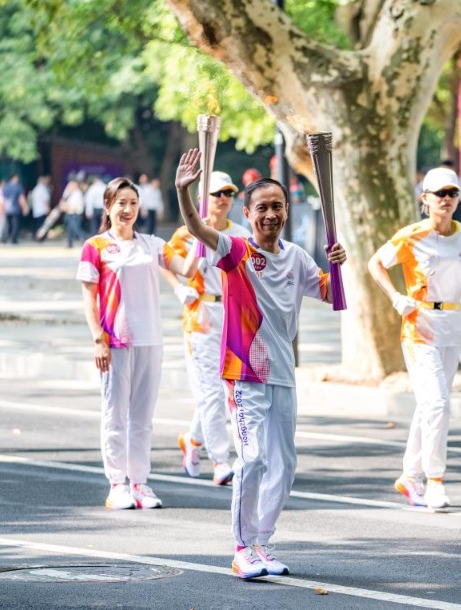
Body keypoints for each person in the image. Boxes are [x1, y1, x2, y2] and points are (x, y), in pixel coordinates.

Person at [174, 149, 346, 580]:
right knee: (250, 460)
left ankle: (262, 541)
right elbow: (196, 227)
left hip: (284, 372)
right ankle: (240, 548)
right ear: (248, 214)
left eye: (277, 207)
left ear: (286, 211)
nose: (270, 214)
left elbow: (332, 297)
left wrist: (342, 263)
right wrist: (184, 192)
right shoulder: (234, 251)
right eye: (262, 208)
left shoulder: (297, 258)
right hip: (245, 372)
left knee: (285, 464)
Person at [368, 167, 461, 511]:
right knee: (438, 404)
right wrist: (395, 296)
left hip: (451, 323)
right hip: (418, 324)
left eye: (452, 193)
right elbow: (376, 262)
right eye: (440, 194)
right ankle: (434, 480)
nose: (447, 199)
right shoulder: (412, 235)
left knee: (431, 404)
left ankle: (410, 475)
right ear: (426, 199)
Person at [77, 177, 193, 511]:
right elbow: (89, 298)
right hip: (115, 340)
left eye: (133, 203)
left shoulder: (152, 244)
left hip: (150, 339)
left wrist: (201, 240)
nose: (127, 210)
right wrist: (97, 339)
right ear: (108, 207)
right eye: (121, 203)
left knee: (143, 417)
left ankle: (140, 482)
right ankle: (117, 484)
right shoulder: (95, 246)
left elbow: (185, 268)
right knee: (115, 414)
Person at [162, 171, 250, 486]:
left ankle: (192, 439)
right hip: (201, 315)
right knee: (212, 391)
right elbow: (165, 260)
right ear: (203, 198)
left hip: (233, 314)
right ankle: (221, 461)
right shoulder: (187, 234)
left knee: (228, 389)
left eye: (228, 192)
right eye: (217, 194)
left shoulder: (241, 233)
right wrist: (177, 288)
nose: (223, 198)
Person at [61, 178, 87, 248]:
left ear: (75, 185)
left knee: (76, 229)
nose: (69, 186)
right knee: (69, 229)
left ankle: (86, 239)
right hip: (69, 213)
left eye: (70, 185)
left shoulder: (77, 194)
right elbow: (63, 200)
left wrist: (66, 207)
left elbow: (75, 206)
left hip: (75, 214)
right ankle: (69, 244)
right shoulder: (69, 193)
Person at [2, 174, 27, 244]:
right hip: (15, 208)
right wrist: (25, 207)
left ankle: (8, 236)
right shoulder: (18, 187)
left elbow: (3, 199)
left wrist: (2, 208)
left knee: (9, 224)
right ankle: (14, 238)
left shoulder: (6, 187)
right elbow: (21, 198)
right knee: (15, 224)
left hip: (7, 209)